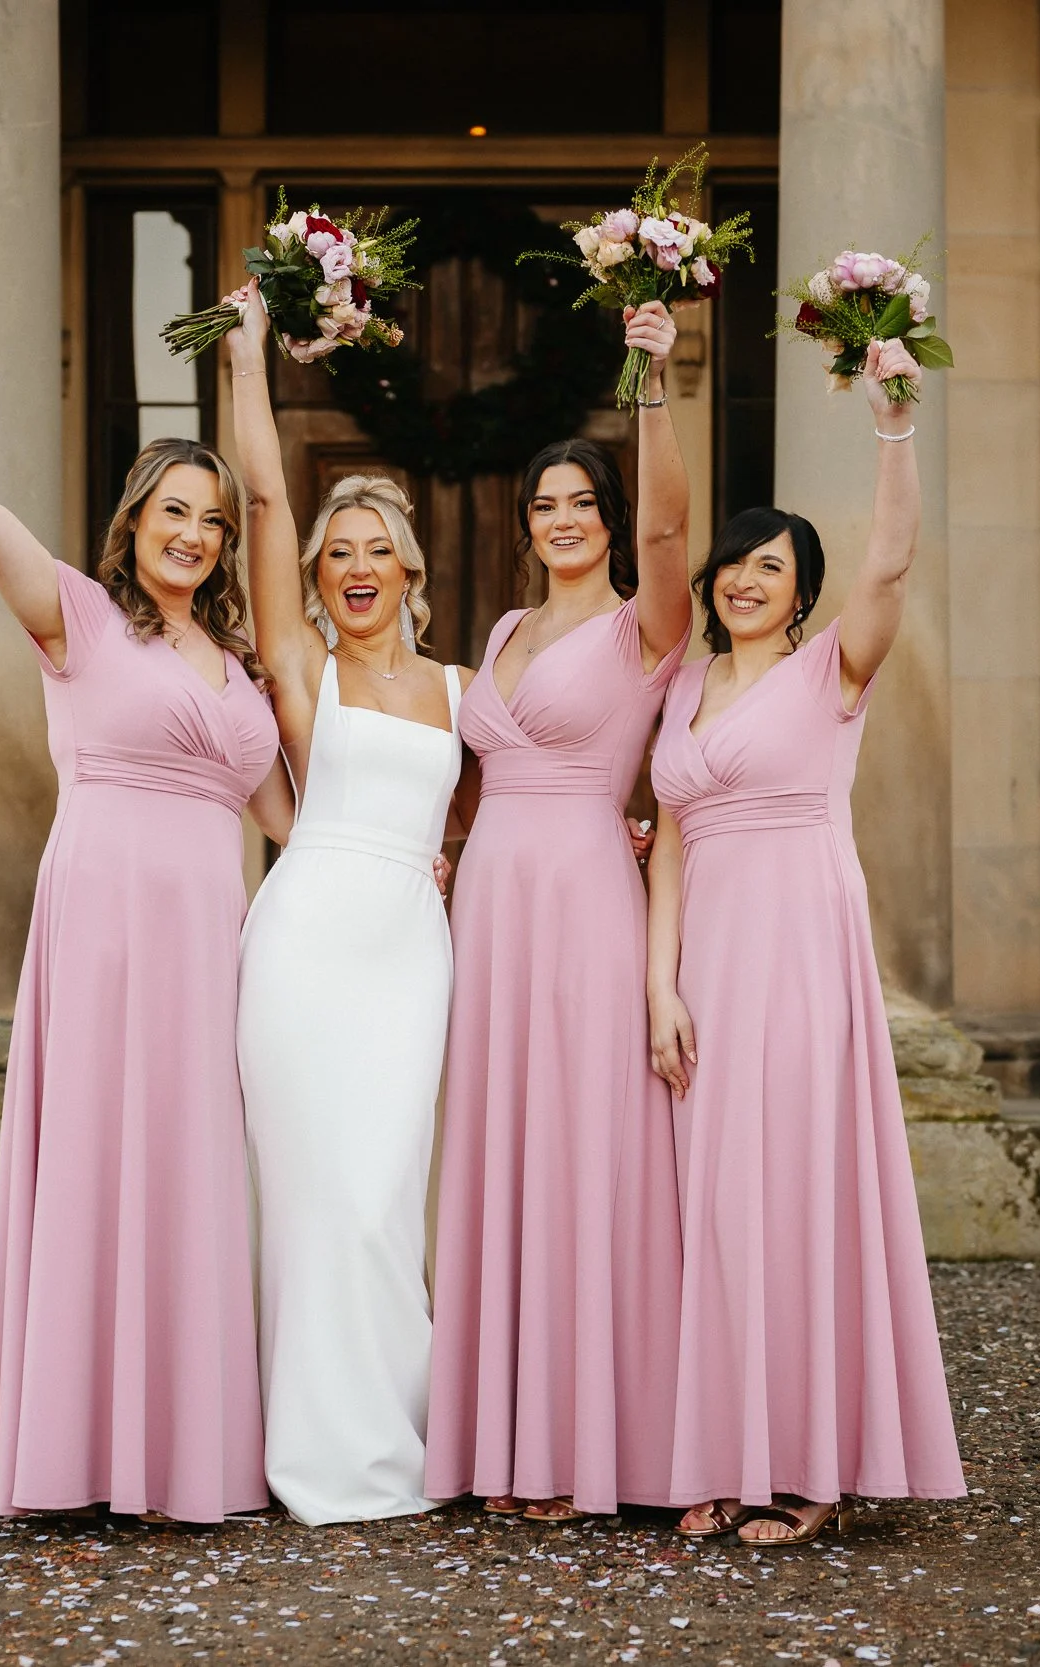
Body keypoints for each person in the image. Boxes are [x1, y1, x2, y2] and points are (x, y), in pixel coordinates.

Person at [0, 334, 291, 1524]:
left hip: (208, 934)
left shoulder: (237, 669)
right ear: (133, 521)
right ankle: (79, 1452)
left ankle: (180, 1454)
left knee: (192, 1165)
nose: (193, 533)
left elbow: (292, 816)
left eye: (214, 521)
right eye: (173, 511)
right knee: (98, 1156)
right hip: (108, 918)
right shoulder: (78, 617)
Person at [645, 338, 966, 1546]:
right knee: (714, 1208)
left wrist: (894, 425)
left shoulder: (835, 669)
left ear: (800, 589)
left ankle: (808, 1463)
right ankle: (723, 1449)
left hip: (799, 947)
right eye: (733, 562)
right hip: (707, 959)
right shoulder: (683, 686)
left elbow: (891, 562)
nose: (742, 578)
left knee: (793, 1198)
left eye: (769, 567)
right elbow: (671, 838)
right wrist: (657, 981)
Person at [424, 301, 693, 1523]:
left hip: (586, 889)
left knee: (583, 1145)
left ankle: (588, 1442)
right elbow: (474, 770)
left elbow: (674, 522)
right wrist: (438, 849)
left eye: (583, 501)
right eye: (545, 504)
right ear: (526, 523)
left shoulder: (650, 627)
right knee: (497, 1141)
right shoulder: (504, 629)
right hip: (491, 897)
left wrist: (654, 375)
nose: (564, 519)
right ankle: (503, 1437)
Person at [222, 282, 469, 1526]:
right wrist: (251, 358)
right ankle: (316, 1453)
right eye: (340, 552)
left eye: (380, 548)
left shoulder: (465, 688)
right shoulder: (302, 666)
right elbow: (263, 495)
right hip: (308, 940)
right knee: (313, 1192)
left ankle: (404, 1430)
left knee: (383, 1192)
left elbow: (549, 793)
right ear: (316, 572)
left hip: (410, 956)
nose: (358, 566)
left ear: (411, 568)